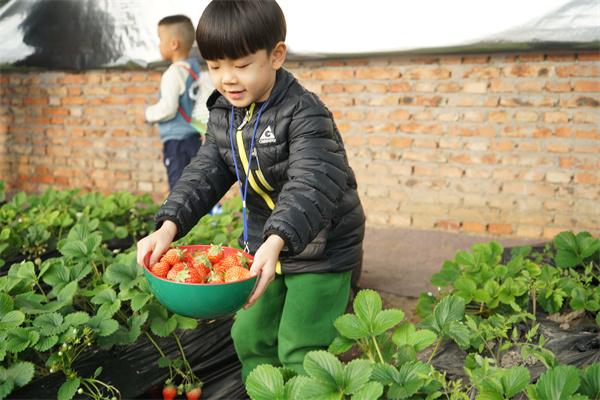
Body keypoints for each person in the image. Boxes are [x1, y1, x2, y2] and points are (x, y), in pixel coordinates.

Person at [136, 0, 365, 383]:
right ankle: (263, 391)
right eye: (214, 66)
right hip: (262, 246)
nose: (227, 78)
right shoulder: (225, 113)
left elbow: (312, 184)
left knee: (301, 343)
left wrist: (277, 241)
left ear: (276, 55)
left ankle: (306, 391)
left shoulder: (305, 113)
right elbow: (205, 171)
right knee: (249, 334)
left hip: (323, 248)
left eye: (241, 65)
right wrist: (168, 226)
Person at [145, 14, 203, 190]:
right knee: (196, 185)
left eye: (160, 39)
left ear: (174, 44)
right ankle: (211, 215)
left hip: (177, 144)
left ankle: (181, 218)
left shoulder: (172, 73)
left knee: (178, 190)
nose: (159, 45)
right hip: (193, 138)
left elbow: (168, 108)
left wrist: (148, 113)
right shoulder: (193, 69)